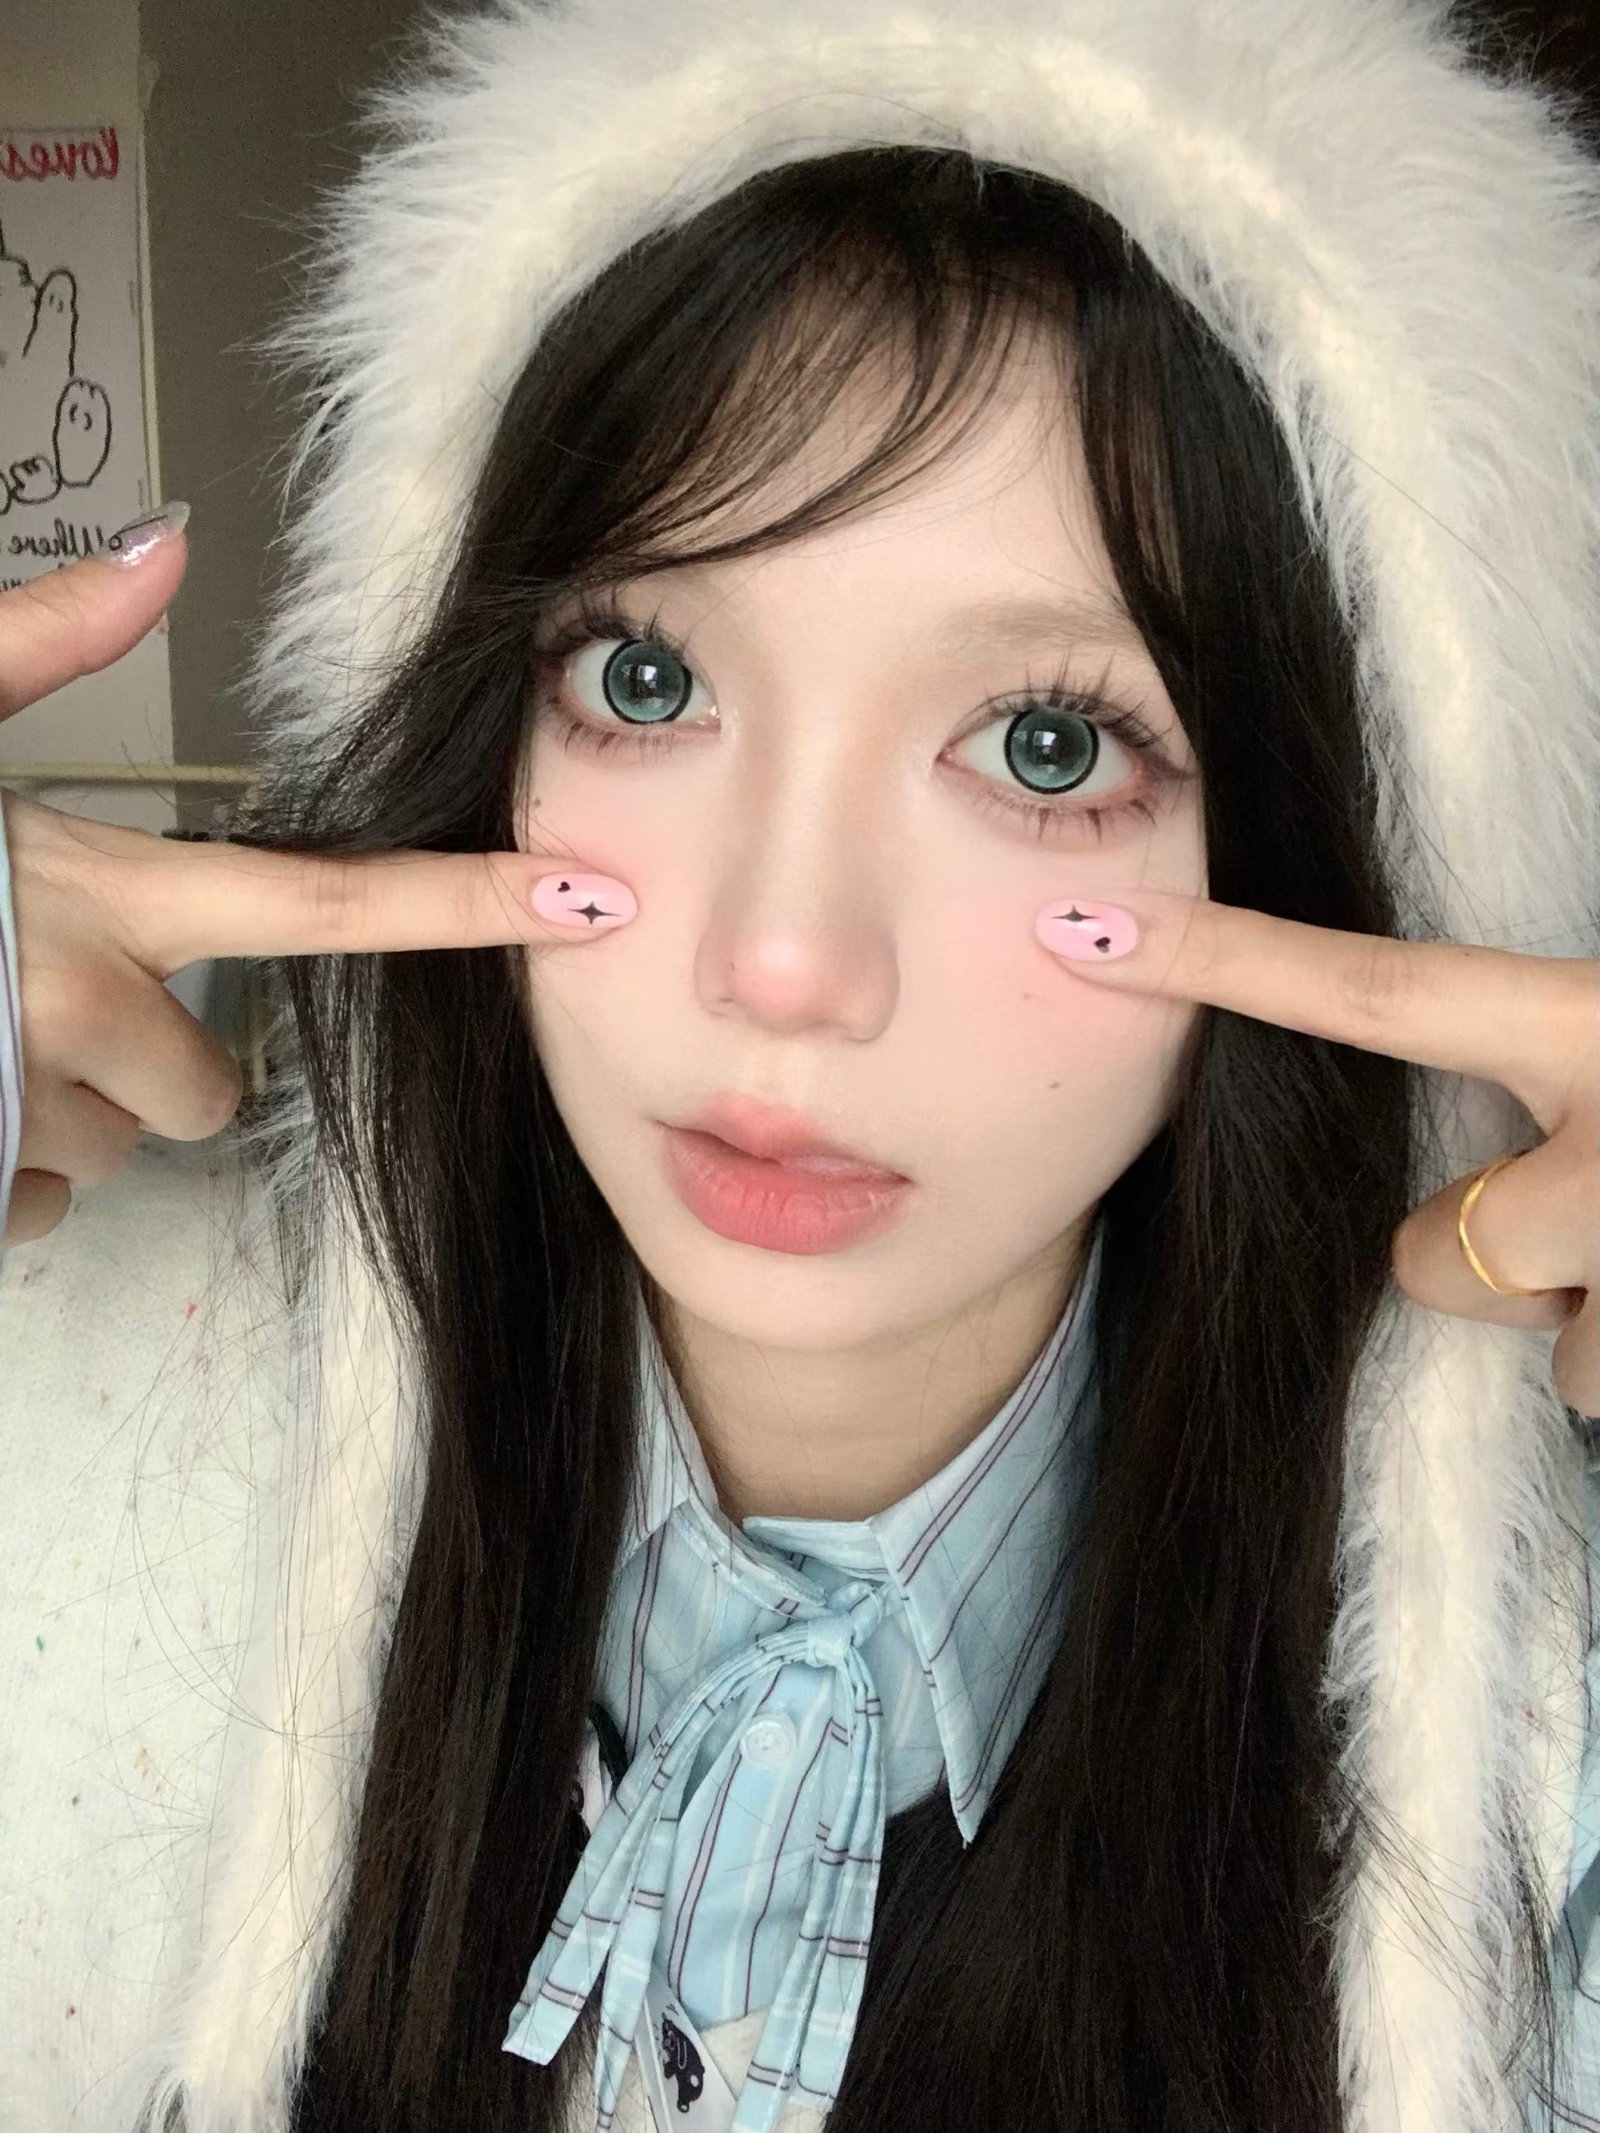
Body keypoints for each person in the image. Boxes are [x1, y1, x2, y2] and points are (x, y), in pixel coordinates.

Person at [2, 0, 1598, 2128]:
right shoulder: (66, 1461)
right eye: (646, 679)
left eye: (1048, 746)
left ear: (1326, 840)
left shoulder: (1531, 1755)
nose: (782, 962)